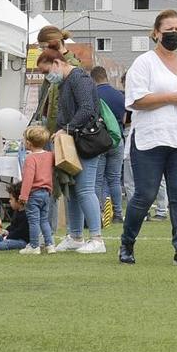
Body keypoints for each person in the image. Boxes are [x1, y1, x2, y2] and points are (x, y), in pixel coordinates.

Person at [118, 10, 177, 266]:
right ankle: (127, 242)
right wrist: (171, 97)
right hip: (149, 139)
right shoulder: (144, 63)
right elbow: (135, 100)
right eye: (169, 29)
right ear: (156, 33)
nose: (174, 34)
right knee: (144, 195)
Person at [39, 48, 108, 254]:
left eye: (46, 71)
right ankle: (75, 236)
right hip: (72, 142)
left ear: (58, 63)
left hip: (85, 142)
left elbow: (87, 108)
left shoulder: (79, 79)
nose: (46, 76)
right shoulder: (65, 82)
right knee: (72, 191)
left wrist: (66, 128)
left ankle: (96, 238)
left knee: (85, 189)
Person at [92, 65, 129, 228]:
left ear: (93, 79)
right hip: (117, 140)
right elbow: (125, 117)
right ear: (106, 76)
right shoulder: (120, 95)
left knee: (98, 180)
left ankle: (99, 212)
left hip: (99, 141)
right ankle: (118, 214)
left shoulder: (93, 95)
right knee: (114, 179)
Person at [19, 126, 56, 254]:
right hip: (46, 193)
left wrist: (23, 196)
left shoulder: (30, 158)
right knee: (44, 220)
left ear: (29, 143)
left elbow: (28, 178)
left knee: (33, 220)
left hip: (34, 193)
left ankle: (34, 246)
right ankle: (50, 244)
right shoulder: (50, 155)